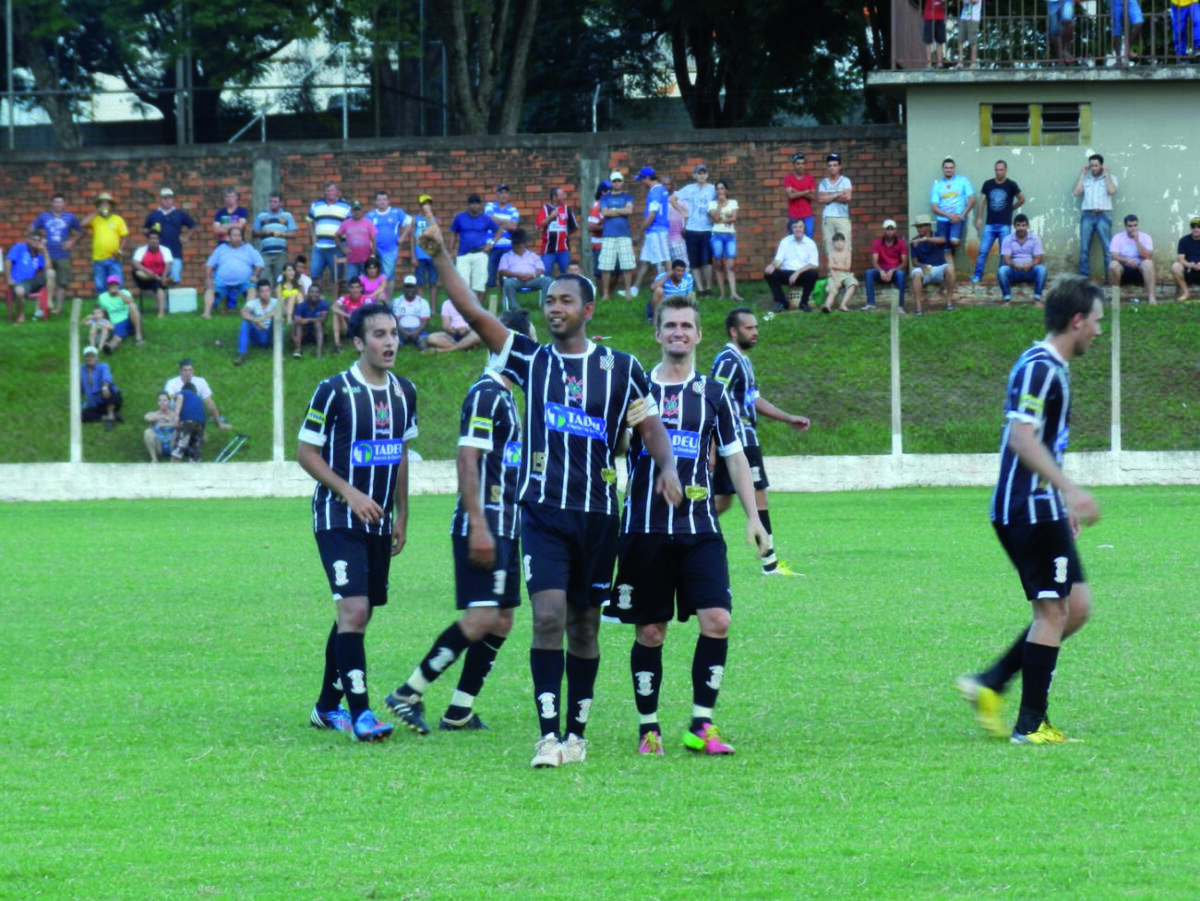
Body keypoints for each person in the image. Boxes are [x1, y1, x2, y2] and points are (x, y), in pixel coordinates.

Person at [417, 219, 681, 769]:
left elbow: (650, 423)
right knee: (549, 617)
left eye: (565, 300)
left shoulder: (621, 367)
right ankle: (547, 736)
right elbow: (475, 315)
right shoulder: (531, 360)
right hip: (542, 513)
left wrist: (666, 467)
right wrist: (441, 255)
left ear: (588, 310)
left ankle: (577, 733)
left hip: (599, 517)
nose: (554, 307)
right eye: (549, 300)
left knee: (585, 625)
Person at [611, 295, 769, 756]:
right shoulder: (636, 388)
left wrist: (754, 518)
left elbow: (736, 457)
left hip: (700, 529)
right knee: (650, 631)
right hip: (644, 528)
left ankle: (701, 725)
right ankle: (649, 729)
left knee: (717, 620)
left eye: (686, 325)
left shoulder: (714, 394)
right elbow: (615, 448)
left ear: (698, 335)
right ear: (657, 334)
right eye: (670, 325)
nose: (678, 332)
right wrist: (625, 429)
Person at [957, 274, 1103, 745]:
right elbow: (1021, 439)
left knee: (1075, 607)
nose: (1099, 330)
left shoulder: (1051, 367)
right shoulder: (1039, 368)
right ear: (1076, 321)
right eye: (1096, 320)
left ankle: (991, 682)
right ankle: (1031, 724)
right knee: (1053, 611)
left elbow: (1043, 442)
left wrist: (1061, 498)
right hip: (1027, 509)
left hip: (1044, 505)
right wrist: (1070, 490)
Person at [385, 308, 534, 735]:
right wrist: (479, 525)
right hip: (483, 525)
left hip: (506, 523)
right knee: (482, 616)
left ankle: (460, 710)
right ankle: (408, 692)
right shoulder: (486, 394)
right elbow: (467, 459)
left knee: (502, 619)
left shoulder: (506, 396)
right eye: (526, 345)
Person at [298, 301, 418, 742]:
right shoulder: (333, 390)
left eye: (394, 334)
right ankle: (362, 714)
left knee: (357, 613)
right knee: (354, 609)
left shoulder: (405, 392)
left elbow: (400, 454)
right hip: (337, 517)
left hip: (379, 523)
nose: (390, 343)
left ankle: (326, 708)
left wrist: (402, 514)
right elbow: (306, 453)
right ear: (358, 342)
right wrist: (349, 492)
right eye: (379, 335)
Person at [712, 308, 810, 576]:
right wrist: (711, 446)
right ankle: (770, 564)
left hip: (743, 439)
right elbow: (713, 398)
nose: (755, 332)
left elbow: (753, 400)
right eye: (749, 328)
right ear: (734, 331)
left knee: (721, 503)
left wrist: (787, 417)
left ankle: (678, 531)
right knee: (759, 498)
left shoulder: (743, 361)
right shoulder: (728, 361)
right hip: (737, 440)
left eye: (756, 327)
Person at [973, 160, 1025, 283]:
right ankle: (977, 276)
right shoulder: (988, 184)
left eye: (1001, 170)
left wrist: (1011, 208)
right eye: (996, 170)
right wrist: (979, 217)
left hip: (1004, 225)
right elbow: (982, 202)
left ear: (1006, 170)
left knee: (1004, 253)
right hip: (990, 224)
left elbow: (1022, 199)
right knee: (983, 251)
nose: (998, 172)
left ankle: (1000, 277)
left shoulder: (1011, 184)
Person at [32, 193, 81, 314]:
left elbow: (82, 231)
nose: (58, 204)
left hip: (63, 255)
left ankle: (57, 309)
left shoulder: (70, 217)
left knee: (62, 283)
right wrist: (39, 240)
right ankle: (42, 308)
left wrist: (72, 241)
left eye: (60, 202)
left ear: (64, 204)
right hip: (46, 255)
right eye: (56, 202)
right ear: (52, 203)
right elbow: (31, 229)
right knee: (44, 281)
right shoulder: (44, 216)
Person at [203, 226, 264, 318]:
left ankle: (248, 312)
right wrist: (209, 278)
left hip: (245, 281)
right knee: (210, 288)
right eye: (234, 235)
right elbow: (210, 264)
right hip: (222, 280)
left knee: (252, 289)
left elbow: (260, 263)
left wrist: (255, 275)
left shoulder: (248, 248)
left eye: (239, 235)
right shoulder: (221, 248)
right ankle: (207, 313)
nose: (237, 238)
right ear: (228, 237)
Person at [673, 163, 716, 294]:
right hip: (692, 229)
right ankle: (700, 289)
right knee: (694, 261)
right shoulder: (689, 189)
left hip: (707, 229)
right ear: (694, 175)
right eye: (699, 173)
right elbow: (672, 199)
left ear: (707, 175)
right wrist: (683, 211)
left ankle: (708, 288)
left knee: (707, 260)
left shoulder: (712, 189)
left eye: (704, 173)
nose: (701, 176)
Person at [1073, 153, 1118, 278]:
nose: (1093, 168)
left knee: (1107, 248)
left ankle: (1110, 278)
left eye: (1096, 165)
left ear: (1102, 166)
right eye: (1091, 165)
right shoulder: (1086, 179)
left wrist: (1107, 174)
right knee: (1084, 248)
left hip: (1103, 215)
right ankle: (1084, 277)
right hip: (1087, 215)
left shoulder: (1111, 178)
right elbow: (1076, 192)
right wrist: (1082, 175)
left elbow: (1112, 191)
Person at [450, 193, 500, 304]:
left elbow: (498, 231)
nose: (474, 206)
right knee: (462, 283)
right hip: (463, 254)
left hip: (480, 254)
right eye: (472, 203)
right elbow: (453, 234)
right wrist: (452, 251)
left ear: (480, 205)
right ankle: (465, 306)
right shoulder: (460, 218)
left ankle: (476, 306)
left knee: (480, 284)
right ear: (468, 205)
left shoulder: (485, 219)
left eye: (477, 203)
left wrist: (491, 244)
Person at [164, 358, 233, 434]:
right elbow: (166, 399)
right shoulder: (171, 383)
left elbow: (209, 402)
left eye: (190, 370)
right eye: (185, 370)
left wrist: (219, 422)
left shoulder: (200, 381)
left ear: (193, 371)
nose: (188, 373)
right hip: (176, 412)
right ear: (180, 371)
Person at [764, 219, 819, 313]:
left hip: (802, 273)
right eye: (795, 227)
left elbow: (814, 264)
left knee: (814, 274)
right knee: (769, 273)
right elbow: (778, 259)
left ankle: (803, 303)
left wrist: (797, 273)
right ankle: (782, 302)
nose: (798, 229)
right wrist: (772, 266)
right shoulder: (785, 241)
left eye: (800, 227)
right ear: (791, 229)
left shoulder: (810, 243)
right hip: (787, 273)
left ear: (804, 229)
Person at [143, 187, 195, 287]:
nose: (167, 201)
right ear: (160, 199)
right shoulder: (154, 215)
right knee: (159, 281)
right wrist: (151, 234)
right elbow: (145, 229)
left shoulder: (179, 213)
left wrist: (186, 237)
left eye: (170, 198)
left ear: (173, 199)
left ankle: (174, 297)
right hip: (158, 254)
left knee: (174, 280)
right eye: (165, 198)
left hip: (175, 252)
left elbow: (192, 226)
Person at [308, 182, 351, 294]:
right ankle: (319, 300)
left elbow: (350, 224)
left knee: (337, 278)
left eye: (332, 190)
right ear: (324, 192)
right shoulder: (316, 204)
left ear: (337, 192)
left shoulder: (345, 205)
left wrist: (345, 245)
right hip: (319, 247)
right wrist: (313, 238)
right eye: (327, 191)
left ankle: (336, 300)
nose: (330, 193)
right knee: (315, 275)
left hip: (336, 247)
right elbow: (309, 220)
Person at [633, 167, 671, 294]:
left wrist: (639, 233)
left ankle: (673, 287)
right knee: (645, 261)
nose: (641, 182)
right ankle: (634, 289)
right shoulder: (662, 189)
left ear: (647, 178)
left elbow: (651, 215)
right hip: (655, 231)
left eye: (642, 179)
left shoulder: (655, 192)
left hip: (657, 231)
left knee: (665, 260)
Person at [81, 192, 128, 294]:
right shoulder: (95, 219)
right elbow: (83, 224)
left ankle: (118, 303)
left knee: (117, 285)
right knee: (100, 286)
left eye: (107, 203)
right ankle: (103, 304)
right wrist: (97, 212)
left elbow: (124, 237)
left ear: (111, 206)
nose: (104, 205)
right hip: (98, 259)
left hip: (114, 258)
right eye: (102, 203)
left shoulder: (118, 219)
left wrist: (120, 251)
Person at [598, 172, 636, 300]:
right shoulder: (605, 198)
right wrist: (621, 211)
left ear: (622, 182)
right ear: (611, 183)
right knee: (606, 266)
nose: (617, 183)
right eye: (614, 181)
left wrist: (613, 210)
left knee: (627, 265)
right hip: (608, 235)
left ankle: (628, 293)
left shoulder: (628, 196)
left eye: (619, 180)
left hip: (624, 235)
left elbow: (629, 211)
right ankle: (605, 295)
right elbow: (605, 213)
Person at [366, 190, 412, 294]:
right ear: (376, 202)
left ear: (388, 201)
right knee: (375, 276)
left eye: (384, 199)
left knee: (388, 277)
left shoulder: (397, 213)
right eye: (379, 200)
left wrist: (403, 237)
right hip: (374, 251)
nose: (382, 202)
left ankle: (388, 301)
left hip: (390, 251)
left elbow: (410, 222)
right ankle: (377, 299)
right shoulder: (370, 215)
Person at [909, 214, 956, 314]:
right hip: (925, 270)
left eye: (921, 226)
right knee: (916, 273)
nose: (918, 229)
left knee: (950, 269)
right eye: (917, 227)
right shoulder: (914, 241)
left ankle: (949, 303)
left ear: (928, 226)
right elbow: (914, 262)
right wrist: (923, 266)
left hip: (939, 268)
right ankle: (918, 308)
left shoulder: (937, 236)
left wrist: (925, 239)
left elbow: (943, 240)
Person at [997, 214, 1048, 306]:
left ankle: (1037, 299)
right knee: (1002, 270)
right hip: (1014, 271)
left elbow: (1038, 258)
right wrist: (1013, 265)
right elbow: (1006, 259)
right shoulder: (1008, 239)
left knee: (1042, 269)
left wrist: (1030, 265)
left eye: (1023, 225)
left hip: (1030, 271)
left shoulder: (1035, 239)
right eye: (1018, 225)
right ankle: (1007, 300)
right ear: (1014, 226)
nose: (1021, 228)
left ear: (1027, 226)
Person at [252, 192, 299, 289]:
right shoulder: (262, 215)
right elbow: (254, 233)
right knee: (264, 278)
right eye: (270, 201)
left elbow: (294, 234)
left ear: (281, 203)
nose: (272, 204)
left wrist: (282, 234)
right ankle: (266, 297)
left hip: (281, 253)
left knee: (280, 279)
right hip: (265, 253)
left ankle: (279, 298)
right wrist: (264, 232)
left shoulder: (287, 215)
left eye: (275, 201)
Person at [1107, 213, 1157, 304]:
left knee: (1148, 263)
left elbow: (1148, 256)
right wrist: (1127, 260)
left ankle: (1151, 297)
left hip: (1140, 269)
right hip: (1123, 269)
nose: (1133, 228)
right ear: (1125, 226)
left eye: (1135, 225)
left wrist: (1137, 240)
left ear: (1138, 225)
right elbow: (1114, 256)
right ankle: (1115, 298)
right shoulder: (1118, 237)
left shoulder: (1146, 237)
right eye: (1130, 226)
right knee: (1113, 265)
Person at [498, 229, 552, 311]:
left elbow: (541, 269)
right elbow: (502, 271)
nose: (519, 245)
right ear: (513, 244)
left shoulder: (532, 255)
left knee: (547, 280)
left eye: (521, 243)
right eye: (517, 243)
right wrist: (518, 275)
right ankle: (515, 308)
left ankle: (545, 306)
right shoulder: (506, 256)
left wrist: (532, 275)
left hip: (532, 279)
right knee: (507, 282)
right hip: (515, 281)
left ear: (525, 243)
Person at [930, 157, 975, 254]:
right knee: (943, 247)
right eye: (946, 168)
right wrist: (950, 216)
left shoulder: (963, 180)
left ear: (954, 169)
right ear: (942, 169)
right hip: (942, 219)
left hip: (958, 218)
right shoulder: (937, 185)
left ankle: (949, 251)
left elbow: (972, 199)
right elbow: (934, 208)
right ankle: (948, 257)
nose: (949, 170)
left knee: (954, 241)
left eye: (951, 168)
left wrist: (961, 216)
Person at [707, 179, 743, 301]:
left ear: (726, 190)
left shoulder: (733, 202)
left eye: (722, 188)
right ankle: (722, 294)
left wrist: (720, 220)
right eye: (717, 189)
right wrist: (720, 205)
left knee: (730, 265)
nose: (720, 191)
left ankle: (733, 293)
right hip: (716, 235)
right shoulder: (712, 204)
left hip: (730, 236)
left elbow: (734, 218)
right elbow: (715, 218)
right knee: (718, 264)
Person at [864, 219, 909, 312]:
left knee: (901, 274)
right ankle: (870, 304)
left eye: (892, 229)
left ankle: (899, 306)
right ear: (884, 230)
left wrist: (892, 271)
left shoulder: (901, 243)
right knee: (869, 273)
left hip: (895, 271)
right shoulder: (877, 242)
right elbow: (875, 262)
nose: (889, 231)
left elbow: (904, 263)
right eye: (887, 229)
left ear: (895, 230)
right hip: (882, 270)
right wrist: (881, 271)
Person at [5, 232, 49, 324]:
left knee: (51, 273)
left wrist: (45, 252)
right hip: (19, 282)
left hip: (32, 282)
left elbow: (48, 269)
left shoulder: (39, 256)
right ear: (28, 240)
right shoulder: (20, 247)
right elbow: (8, 261)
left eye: (38, 240)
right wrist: (9, 278)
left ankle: (49, 303)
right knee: (20, 291)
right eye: (34, 239)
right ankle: (20, 316)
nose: (36, 242)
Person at [536, 187, 578, 279]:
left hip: (563, 249)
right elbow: (538, 226)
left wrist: (565, 235)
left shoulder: (566, 209)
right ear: (554, 197)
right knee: (545, 275)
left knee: (568, 275)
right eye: (561, 195)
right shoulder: (545, 209)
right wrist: (550, 217)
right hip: (548, 250)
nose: (564, 197)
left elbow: (574, 227)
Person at [485, 184, 520, 291]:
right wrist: (507, 223)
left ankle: (504, 299)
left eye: (506, 193)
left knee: (505, 279)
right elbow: (489, 219)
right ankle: (491, 299)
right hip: (492, 246)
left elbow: (513, 227)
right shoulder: (489, 206)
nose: (503, 195)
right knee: (490, 278)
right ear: (497, 195)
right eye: (501, 193)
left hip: (507, 247)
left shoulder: (513, 209)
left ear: (509, 195)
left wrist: (497, 221)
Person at [235, 279, 278, 365]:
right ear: (258, 293)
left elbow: (283, 311)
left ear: (270, 291)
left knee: (277, 321)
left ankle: (279, 353)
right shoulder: (253, 303)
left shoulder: (275, 302)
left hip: (270, 335)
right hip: (258, 334)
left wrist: (263, 317)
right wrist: (255, 321)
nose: (265, 293)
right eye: (262, 291)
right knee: (245, 322)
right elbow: (243, 312)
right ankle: (242, 354)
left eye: (267, 291)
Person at [817, 153, 853, 256]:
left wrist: (829, 197)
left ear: (839, 166)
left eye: (835, 165)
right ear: (827, 167)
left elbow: (847, 197)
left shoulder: (845, 181)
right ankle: (832, 267)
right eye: (830, 165)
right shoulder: (823, 183)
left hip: (843, 217)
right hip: (828, 218)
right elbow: (821, 199)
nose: (832, 168)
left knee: (845, 245)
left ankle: (844, 267)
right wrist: (838, 194)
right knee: (829, 247)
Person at [130, 231, 173, 317]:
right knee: (136, 271)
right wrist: (146, 271)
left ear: (159, 240)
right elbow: (135, 263)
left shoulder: (165, 250)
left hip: (161, 277)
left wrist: (164, 276)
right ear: (148, 240)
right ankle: (158, 279)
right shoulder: (141, 250)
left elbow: (168, 264)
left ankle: (161, 313)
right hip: (145, 279)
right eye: (151, 238)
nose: (153, 240)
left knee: (159, 285)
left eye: (156, 238)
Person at [96, 275, 144, 351]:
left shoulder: (125, 292)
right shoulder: (102, 297)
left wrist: (119, 293)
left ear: (119, 285)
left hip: (130, 319)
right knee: (117, 337)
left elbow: (131, 301)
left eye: (115, 284)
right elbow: (104, 313)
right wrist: (104, 324)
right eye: (111, 284)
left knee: (133, 306)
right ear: (107, 286)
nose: (113, 286)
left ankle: (139, 336)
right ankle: (109, 348)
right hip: (117, 323)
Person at [80, 346, 122, 429]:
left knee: (108, 388)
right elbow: (79, 387)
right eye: (87, 356)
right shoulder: (81, 369)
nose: (90, 358)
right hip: (96, 404)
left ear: (97, 358)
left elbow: (106, 378)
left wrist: (105, 388)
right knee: (81, 415)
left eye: (92, 356)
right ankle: (108, 416)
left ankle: (110, 417)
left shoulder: (103, 366)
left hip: (110, 399)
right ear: (85, 358)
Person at [335, 201, 377, 281]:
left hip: (366, 260)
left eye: (358, 210)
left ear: (362, 210)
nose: (357, 212)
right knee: (351, 282)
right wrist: (343, 248)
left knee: (367, 283)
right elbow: (336, 236)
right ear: (351, 211)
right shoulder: (345, 224)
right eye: (355, 210)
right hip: (351, 260)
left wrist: (373, 256)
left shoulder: (369, 223)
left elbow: (374, 240)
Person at [391, 275, 430, 351]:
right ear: (403, 288)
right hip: (401, 330)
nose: (409, 289)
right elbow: (395, 321)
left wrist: (417, 332)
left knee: (423, 346)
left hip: (418, 329)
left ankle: (420, 341)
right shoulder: (397, 301)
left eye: (412, 287)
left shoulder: (423, 302)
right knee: (394, 347)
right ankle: (399, 342)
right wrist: (403, 332)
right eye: (407, 287)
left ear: (416, 288)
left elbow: (424, 323)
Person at [292, 283, 330, 360]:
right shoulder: (301, 306)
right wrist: (292, 335)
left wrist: (308, 320)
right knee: (299, 325)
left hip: (316, 333)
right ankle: (298, 349)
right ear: (308, 294)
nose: (314, 294)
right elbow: (296, 321)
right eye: (311, 292)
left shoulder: (323, 304)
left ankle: (319, 351)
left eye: (316, 292)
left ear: (320, 294)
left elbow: (323, 319)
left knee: (317, 324)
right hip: (304, 333)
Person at [331, 277, 369, 354]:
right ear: (348, 289)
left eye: (357, 287)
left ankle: (364, 342)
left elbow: (370, 312)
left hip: (359, 328)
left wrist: (356, 317)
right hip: (346, 328)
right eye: (352, 287)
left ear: (361, 289)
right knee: (336, 315)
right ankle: (337, 345)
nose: (355, 290)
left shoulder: (366, 299)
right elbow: (333, 307)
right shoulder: (344, 298)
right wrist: (347, 315)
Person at [822, 233, 859, 312]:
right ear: (833, 243)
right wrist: (836, 280)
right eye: (837, 241)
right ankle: (827, 306)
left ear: (844, 242)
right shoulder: (831, 254)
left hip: (846, 275)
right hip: (834, 275)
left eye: (841, 241)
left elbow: (847, 267)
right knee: (832, 290)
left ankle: (843, 305)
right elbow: (831, 269)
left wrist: (834, 265)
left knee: (853, 284)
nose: (839, 243)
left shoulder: (847, 253)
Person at [784, 152, 816, 237]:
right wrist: (806, 192)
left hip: (807, 216)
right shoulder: (789, 178)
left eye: (802, 163)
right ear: (794, 165)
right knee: (793, 240)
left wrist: (796, 192)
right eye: (798, 163)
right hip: (794, 216)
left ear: (805, 165)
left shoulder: (810, 178)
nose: (800, 166)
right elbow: (791, 196)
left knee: (808, 240)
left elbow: (813, 196)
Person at [411, 210, 439, 309]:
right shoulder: (415, 220)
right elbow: (412, 239)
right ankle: (422, 308)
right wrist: (413, 256)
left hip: (432, 256)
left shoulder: (434, 220)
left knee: (433, 282)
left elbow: (437, 239)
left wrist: (437, 255)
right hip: (419, 256)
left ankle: (433, 309)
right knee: (420, 283)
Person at [1170, 215, 1200, 301]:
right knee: (1175, 266)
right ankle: (1186, 293)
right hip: (1189, 269)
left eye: (1199, 226)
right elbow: (1181, 259)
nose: (1196, 229)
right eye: (1193, 226)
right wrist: (1189, 265)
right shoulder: (1184, 240)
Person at [143, 391, 176, 462]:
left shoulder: (174, 414)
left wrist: (165, 425)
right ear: (157, 402)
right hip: (159, 446)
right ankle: (154, 459)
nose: (162, 403)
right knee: (147, 432)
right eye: (160, 400)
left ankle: (175, 457)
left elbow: (179, 424)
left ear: (169, 402)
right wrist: (162, 417)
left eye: (165, 400)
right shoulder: (155, 414)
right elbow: (146, 417)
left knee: (179, 431)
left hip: (172, 444)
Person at [587, 181, 610, 275]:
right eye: (609, 191)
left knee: (613, 272)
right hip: (599, 244)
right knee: (600, 273)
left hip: (611, 243)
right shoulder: (597, 206)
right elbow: (590, 227)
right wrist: (606, 227)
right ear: (603, 192)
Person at [957, 0, 982, 67]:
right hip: (964, 16)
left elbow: (975, 1)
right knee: (960, 39)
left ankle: (973, 62)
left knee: (973, 41)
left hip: (973, 18)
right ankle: (960, 62)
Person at [923, 0, 948, 66]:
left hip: (940, 17)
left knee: (940, 41)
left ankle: (939, 62)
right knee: (928, 40)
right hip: (929, 16)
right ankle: (929, 63)